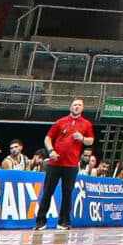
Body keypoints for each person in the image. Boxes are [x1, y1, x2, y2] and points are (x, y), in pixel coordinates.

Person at [35, 97, 93, 231]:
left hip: (71, 165)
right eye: (74, 105)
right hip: (55, 163)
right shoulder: (61, 122)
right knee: (47, 192)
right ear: (70, 107)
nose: (76, 107)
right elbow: (48, 137)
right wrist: (50, 151)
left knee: (67, 194)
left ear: (82, 108)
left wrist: (82, 138)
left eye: (79, 105)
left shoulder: (86, 124)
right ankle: (40, 222)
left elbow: (91, 140)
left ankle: (64, 222)